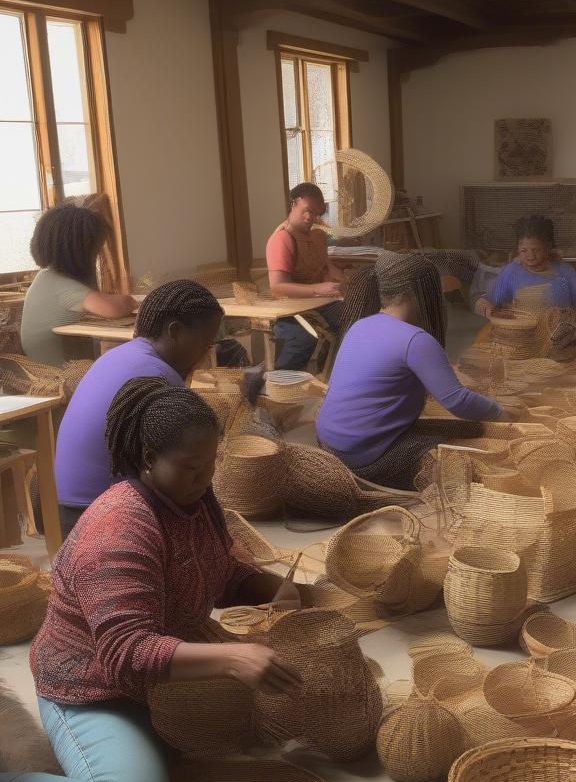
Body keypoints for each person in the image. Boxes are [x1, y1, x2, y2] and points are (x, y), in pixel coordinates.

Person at [0, 378, 301, 782]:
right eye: (191, 468)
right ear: (145, 458)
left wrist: (289, 592)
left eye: (211, 465)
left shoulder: (193, 500)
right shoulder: (118, 527)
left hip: (157, 678)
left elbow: (219, 571)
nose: (205, 479)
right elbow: (126, 654)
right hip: (90, 687)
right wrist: (234, 657)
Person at [319, 252, 507, 490]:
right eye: (431, 289)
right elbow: (458, 401)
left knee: (461, 429)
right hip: (363, 457)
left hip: (329, 443)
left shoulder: (361, 325)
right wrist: (502, 413)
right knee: (463, 463)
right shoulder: (416, 339)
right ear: (413, 293)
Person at [54, 279, 224, 536]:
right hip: (101, 520)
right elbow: (180, 464)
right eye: (205, 344)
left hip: (68, 511)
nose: (205, 356)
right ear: (175, 331)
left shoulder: (119, 355)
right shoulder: (158, 376)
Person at [20, 203, 137, 366]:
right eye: (95, 252)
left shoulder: (45, 277)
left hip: (44, 364)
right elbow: (113, 308)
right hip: (60, 373)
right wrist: (132, 301)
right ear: (79, 253)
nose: (96, 257)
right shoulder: (64, 287)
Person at [265, 182, 349, 370]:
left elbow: (326, 267)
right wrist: (317, 289)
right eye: (306, 210)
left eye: (315, 213)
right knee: (302, 338)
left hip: (318, 302)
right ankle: (278, 384)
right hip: (290, 306)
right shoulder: (282, 239)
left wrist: (344, 283)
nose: (310, 217)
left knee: (354, 318)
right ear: (293, 204)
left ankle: (330, 372)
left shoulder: (318, 237)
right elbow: (277, 286)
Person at [474, 215, 576, 330]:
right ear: (517, 249)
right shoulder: (511, 272)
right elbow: (494, 302)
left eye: (536, 250)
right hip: (523, 334)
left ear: (547, 248)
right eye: (524, 251)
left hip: (560, 334)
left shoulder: (565, 271)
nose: (530, 256)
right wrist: (486, 306)